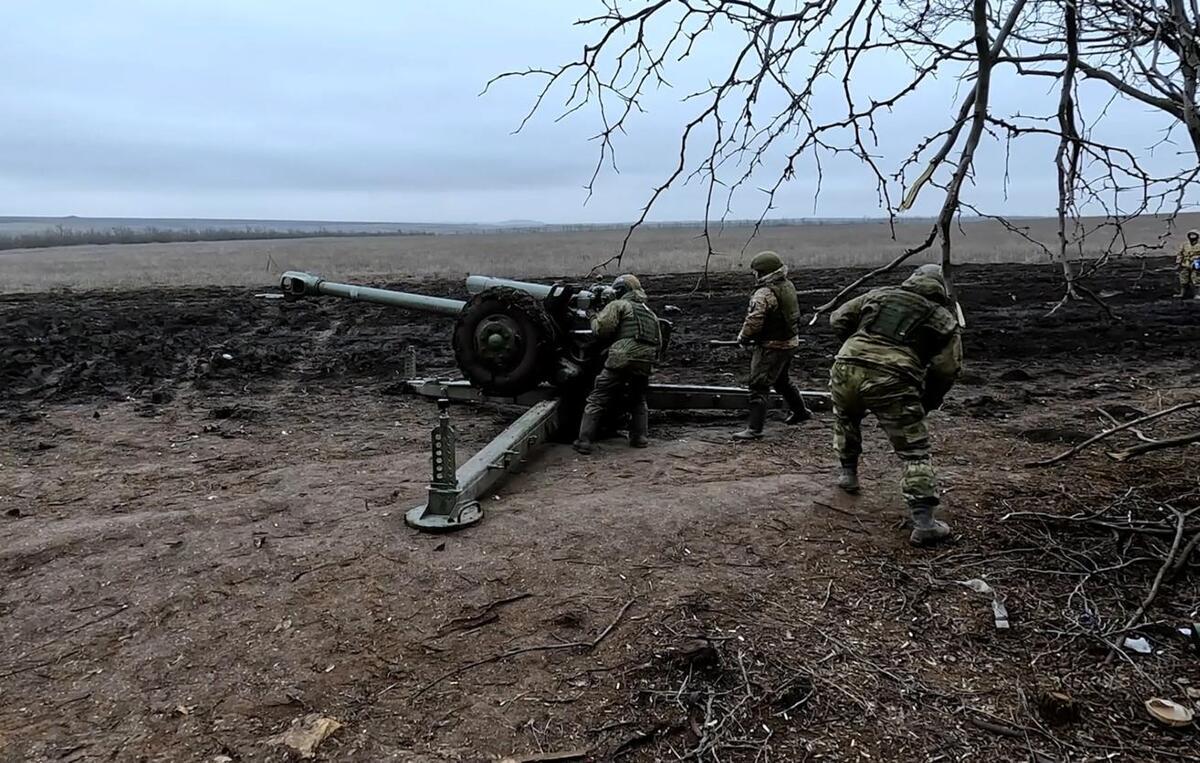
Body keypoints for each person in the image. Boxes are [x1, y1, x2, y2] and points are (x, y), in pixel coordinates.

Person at [828, 263, 962, 546]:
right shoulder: (944, 319)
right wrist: (928, 400)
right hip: (894, 378)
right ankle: (924, 522)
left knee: (846, 419)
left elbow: (838, 319)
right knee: (914, 450)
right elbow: (946, 369)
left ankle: (848, 474)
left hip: (846, 366)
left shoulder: (878, 295)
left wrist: (855, 345)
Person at [573, 274, 662, 455]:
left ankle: (584, 441)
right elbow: (658, 341)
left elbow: (601, 329)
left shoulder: (619, 305)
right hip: (646, 360)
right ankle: (640, 438)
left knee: (598, 397)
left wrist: (591, 315)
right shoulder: (649, 313)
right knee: (638, 398)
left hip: (623, 357)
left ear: (620, 291)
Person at [732, 251, 812, 441]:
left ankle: (754, 429)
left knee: (758, 385)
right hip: (790, 341)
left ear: (761, 272)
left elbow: (754, 321)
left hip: (772, 346)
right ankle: (801, 412)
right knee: (781, 380)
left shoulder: (764, 293)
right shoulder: (788, 286)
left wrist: (743, 337)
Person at [1175, 229, 1200, 299]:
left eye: (1194, 235)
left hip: (1197, 263)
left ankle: (1197, 294)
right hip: (1185, 263)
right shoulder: (1184, 245)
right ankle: (1182, 294)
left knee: (1197, 279)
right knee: (1183, 279)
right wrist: (1178, 262)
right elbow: (1180, 254)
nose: (1192, 237)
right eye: (1191, 235)